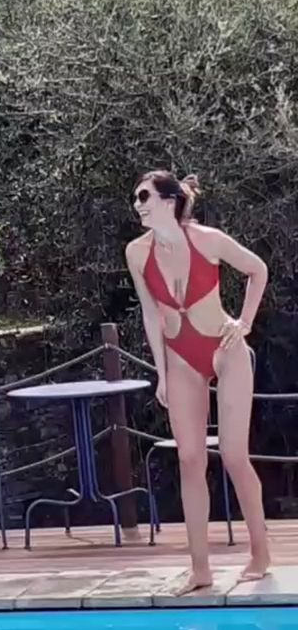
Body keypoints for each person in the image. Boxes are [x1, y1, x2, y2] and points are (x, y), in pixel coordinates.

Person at [125, 170, 270, 595]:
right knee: (190, 458)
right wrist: (161, 372)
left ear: (169, 201)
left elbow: (258, 270)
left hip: (225, 350)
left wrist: (244, 323)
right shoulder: (137, 252)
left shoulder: (208, 240)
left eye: (144, 197)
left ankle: (260, 553)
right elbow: (150, 313)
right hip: (180, 358)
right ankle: (200, 569)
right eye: (135, 198)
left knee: (234, 455)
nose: (137, 205)